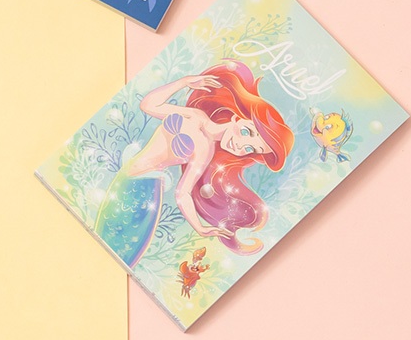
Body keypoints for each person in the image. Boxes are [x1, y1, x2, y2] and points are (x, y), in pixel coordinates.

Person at [94, 61, 294, 267]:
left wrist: (199, 227)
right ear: (237, 118)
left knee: (116, 250)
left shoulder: (205, 151)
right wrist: (184, 82)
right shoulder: (196, 115)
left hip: (144, 189)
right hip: (127, 176)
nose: (241, 144)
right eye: (246, 132)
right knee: (101, 233)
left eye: (251, 149)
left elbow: (183, 192)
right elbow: (148, 105)